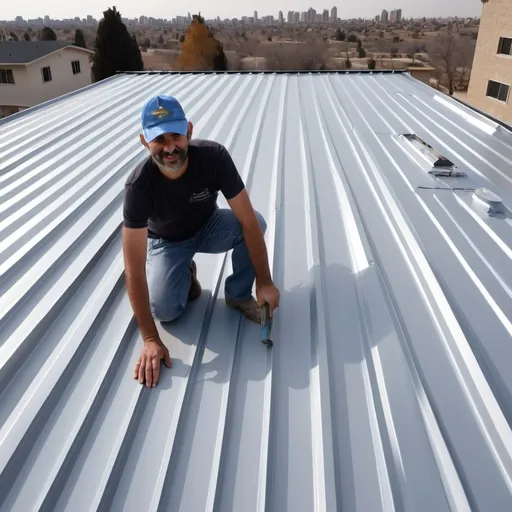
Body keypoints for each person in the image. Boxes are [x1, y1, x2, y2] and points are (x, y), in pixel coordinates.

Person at [122, 94, 280, 388]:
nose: (170, 147)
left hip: (209, 226)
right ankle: (185, 273)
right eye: (159, 139)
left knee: (256, 222)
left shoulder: (214, 158)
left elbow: (247, 222)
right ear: (145, 141)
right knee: (166, 312)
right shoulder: (138, 187)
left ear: (189, 131)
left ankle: (237, 294)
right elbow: (133, 268)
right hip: (167, 242)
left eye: (176, 136)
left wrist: (266, 282)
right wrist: (150, 339)